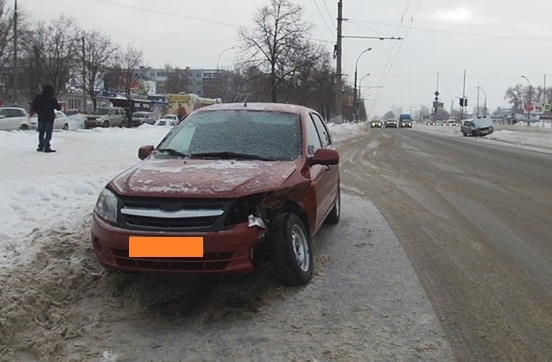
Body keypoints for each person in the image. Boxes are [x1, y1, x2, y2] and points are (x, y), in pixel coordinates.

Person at [30, 84, 61, 153]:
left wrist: (39, 112)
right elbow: (58, 108)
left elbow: (33, 107)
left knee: (41, 133)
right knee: (48, 133)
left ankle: (41, 146)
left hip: (41, 117)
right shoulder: (51, 98)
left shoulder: (38, 97)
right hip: (49, 118)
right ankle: (47, 147)